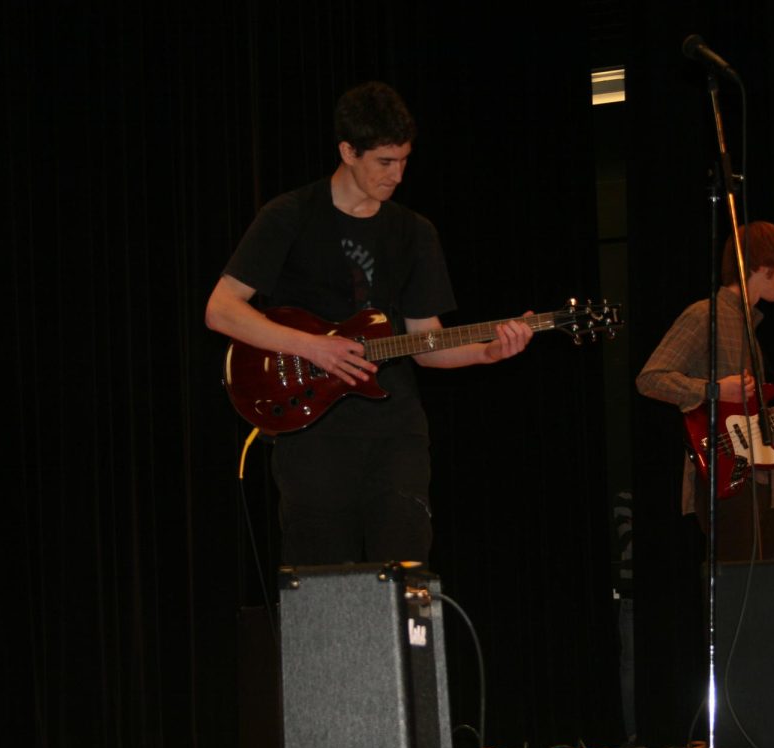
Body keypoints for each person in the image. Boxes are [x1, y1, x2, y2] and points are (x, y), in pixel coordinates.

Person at [205, 81, 534, 566]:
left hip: (395, 432)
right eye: (385, 161)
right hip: (311, 431)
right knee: (322, 585)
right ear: (348, 150)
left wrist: (489, 351)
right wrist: (312, 347)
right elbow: (221, 309)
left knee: (404, 577)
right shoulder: (290, 215)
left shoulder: (414, 232)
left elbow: (427, 343)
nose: (398, 174)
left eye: (404, 160)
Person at [636, 221, 774, 562]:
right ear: (760, 267)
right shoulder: (705, 315)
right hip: (725, 476)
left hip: (763, 481)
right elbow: (650, 378)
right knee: (737, 593)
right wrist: (712, 389)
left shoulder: (749, 326)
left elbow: (753, 419)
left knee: (760, 596)